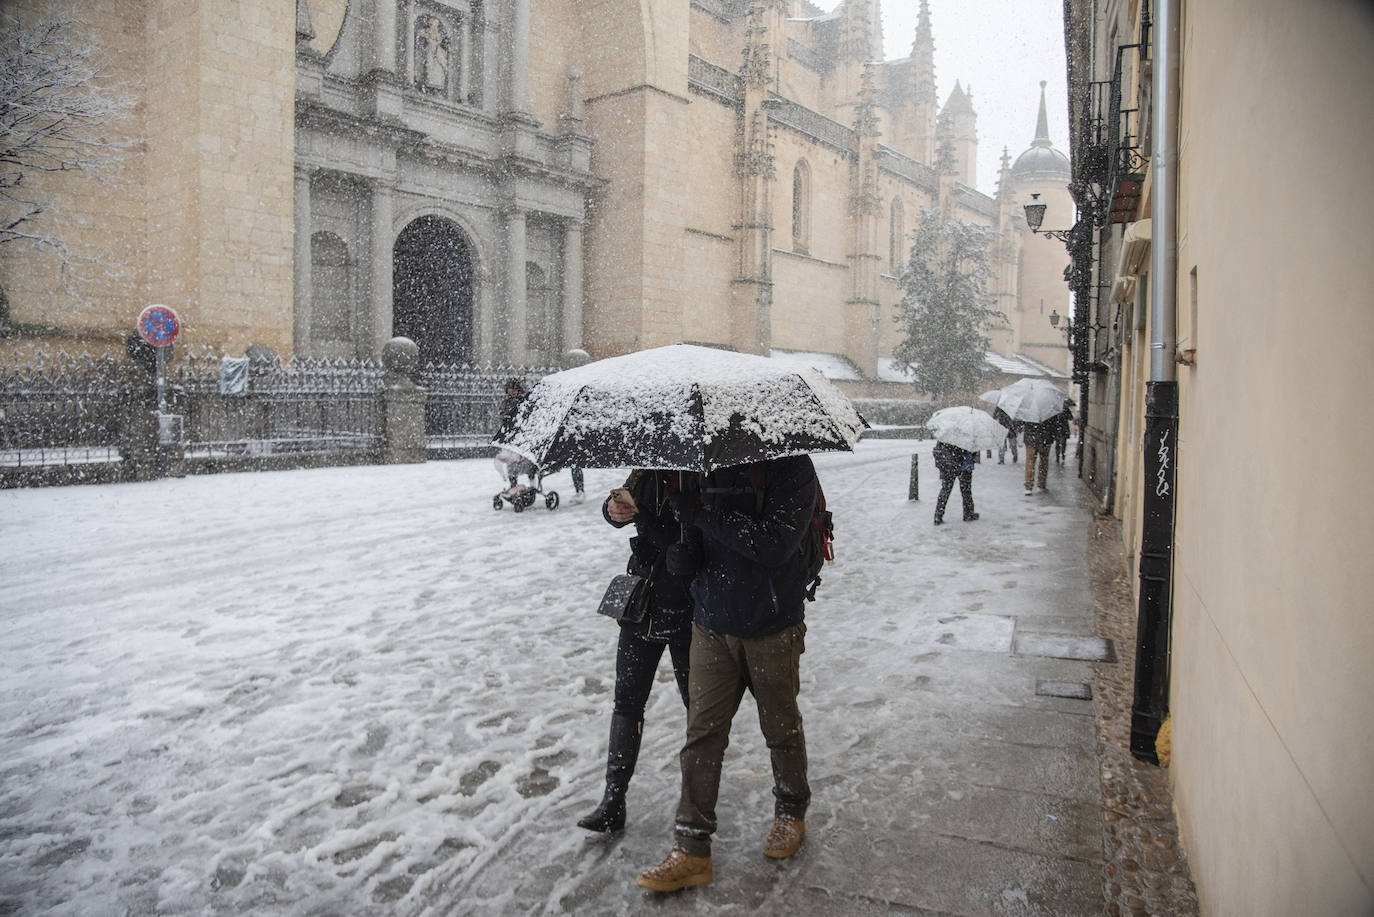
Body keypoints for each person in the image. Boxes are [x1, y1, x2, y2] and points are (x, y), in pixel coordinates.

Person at [636, 454, 818, 893]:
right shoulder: (699, 465)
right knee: (702, 735)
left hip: (771, 622)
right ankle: (691, 848)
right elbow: (700, 538)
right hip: (711, 621)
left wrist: (701, 514)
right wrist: (683, 552)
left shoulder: (791, 466)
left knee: (779, 726)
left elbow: (774, 544)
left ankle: (791, 812)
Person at [579, 471, 694, 832]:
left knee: (699, 707)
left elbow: (688, 542)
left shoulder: (701, 473)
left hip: (691, 606)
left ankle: (696, 801)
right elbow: (624, 510)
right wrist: (612, 509)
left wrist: (643, 517)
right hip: (642, 603)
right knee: (626, 702)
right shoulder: (645, 467)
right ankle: (613, 799)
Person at [932, 441, 979, 524]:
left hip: (949, 466)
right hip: (963, 466)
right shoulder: (967, 436)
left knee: (946, 490)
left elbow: (940, 451)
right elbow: (971, 451)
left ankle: (938, 516)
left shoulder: (947, 435)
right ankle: (968, 513)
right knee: (966, 491)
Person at [1022, 418, 1054, 494]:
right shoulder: (1048, 410)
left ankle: (1028, 486)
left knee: (1030, 462)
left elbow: (1020, 423)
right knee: (1044, 462)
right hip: (1045, 439)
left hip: (1030, 439)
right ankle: (1041, 484)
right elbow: (1054, 424)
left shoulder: (1028, 411)